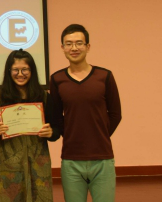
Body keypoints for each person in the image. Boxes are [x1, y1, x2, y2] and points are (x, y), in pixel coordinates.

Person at [50, 24, 122, 202]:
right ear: (62, 48)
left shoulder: (105, 76)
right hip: (71, 160)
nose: (74, 48)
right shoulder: (57, 79)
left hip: (103, 159)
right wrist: (73, 135)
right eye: (69, 44)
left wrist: (100, 135)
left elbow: (115, 114)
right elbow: (56, 117)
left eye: (79, 43)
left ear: (88, 46)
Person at [0, 50, 60, 202]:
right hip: (9, 165)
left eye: (25, 69)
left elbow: (56, 131)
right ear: (9, 71)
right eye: (15, 70)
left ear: (32, 71)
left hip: (38, 164)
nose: (20, 74)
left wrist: (51, 132)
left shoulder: (44, 97)